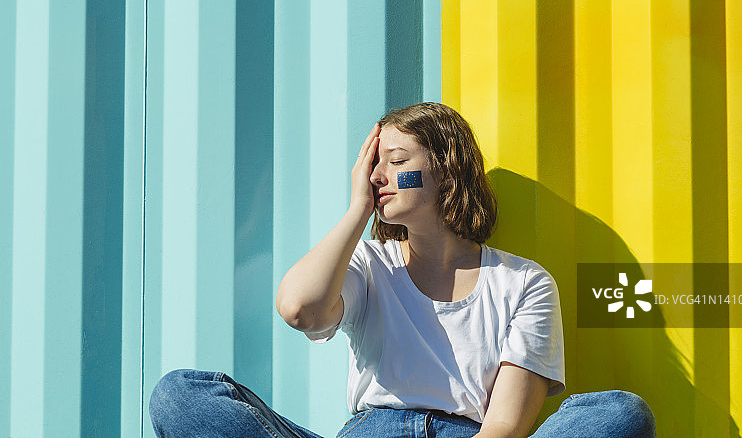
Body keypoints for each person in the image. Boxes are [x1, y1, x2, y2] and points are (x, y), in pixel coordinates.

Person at [149, 102, 657, 437]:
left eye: (395, 160)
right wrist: (356, 212)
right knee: (181, 395)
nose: (377, 175)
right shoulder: (368, 265)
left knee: (618, 414)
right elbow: (300, 309)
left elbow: (504, 425)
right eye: (373, 164)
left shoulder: (523, 282)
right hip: (371, 430)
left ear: (446, 166)